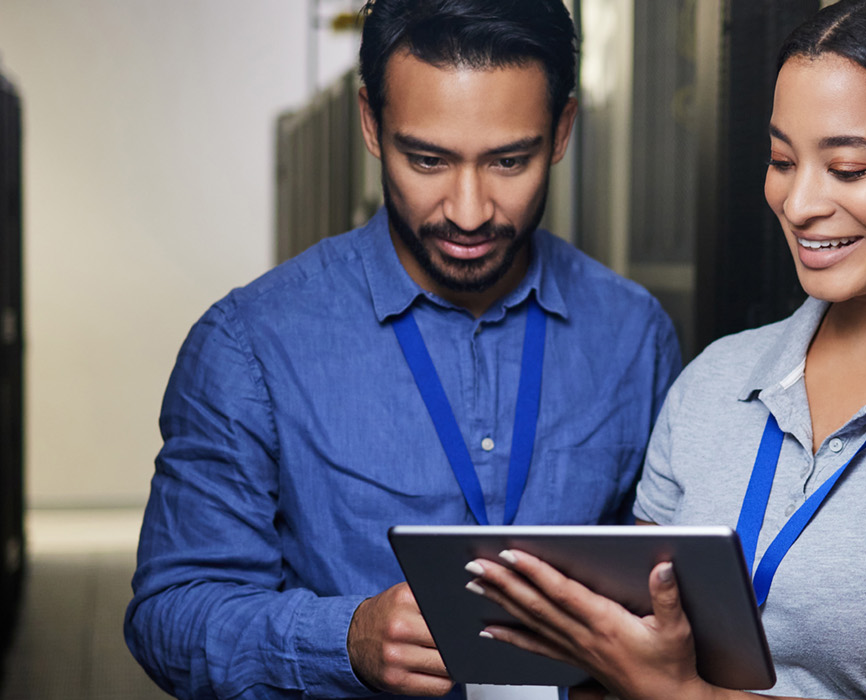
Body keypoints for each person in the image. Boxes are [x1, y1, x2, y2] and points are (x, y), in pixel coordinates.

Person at [463, 0, 866, 699]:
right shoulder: (717, 379)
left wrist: (680, 692)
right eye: (781, 160)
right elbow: (627, 634)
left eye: (848, 169)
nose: (799, 204)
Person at [123, 1, 681, 698]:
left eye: (510, 161)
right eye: (428, 160)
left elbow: (670, 592)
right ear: (370, 123)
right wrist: (346, 639)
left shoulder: (634, 335)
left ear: (562, 131)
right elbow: (169, 615)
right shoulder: (249, 345)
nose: (469, 211)